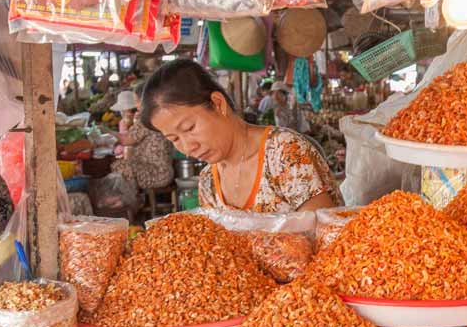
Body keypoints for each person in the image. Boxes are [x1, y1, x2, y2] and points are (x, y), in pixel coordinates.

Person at [140, 60, 341, 213]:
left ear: (218, 104)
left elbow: (325, 235)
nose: (187, 147)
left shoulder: (284, 153)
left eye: (189, 127)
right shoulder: (208, 181)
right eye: (174, 139)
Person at [112, 89, 174, 194]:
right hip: (160, 171)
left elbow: (126, 140)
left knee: (121, 167)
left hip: (157, 173)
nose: (136, 105)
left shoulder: (146, 119)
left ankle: (132, 203)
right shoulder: (152, 115)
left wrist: (105, 131)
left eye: (137, 101)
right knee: (119, 165)